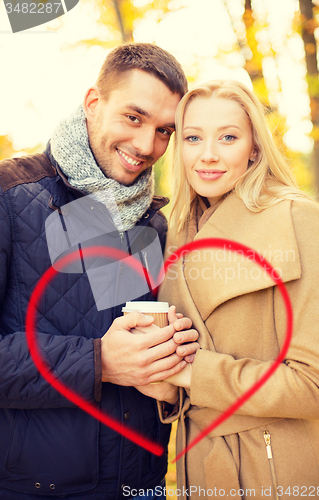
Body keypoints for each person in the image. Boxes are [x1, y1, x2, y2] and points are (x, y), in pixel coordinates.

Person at [0, 43, 200, 500]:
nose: (147, 146)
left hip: (142, 486)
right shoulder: (9, 196)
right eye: (134, 117)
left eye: (165, 130)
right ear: (94, 103)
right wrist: (99, 361)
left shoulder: (153, 222)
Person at [156, 80, 319, 499]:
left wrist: (193, 373)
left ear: (254, 147)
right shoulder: (174, 232)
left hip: (275, 468)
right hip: (199, 465)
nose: (208, 155)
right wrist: (165, 383)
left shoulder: (297, 219)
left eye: (229, 137)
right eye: (194, 138)